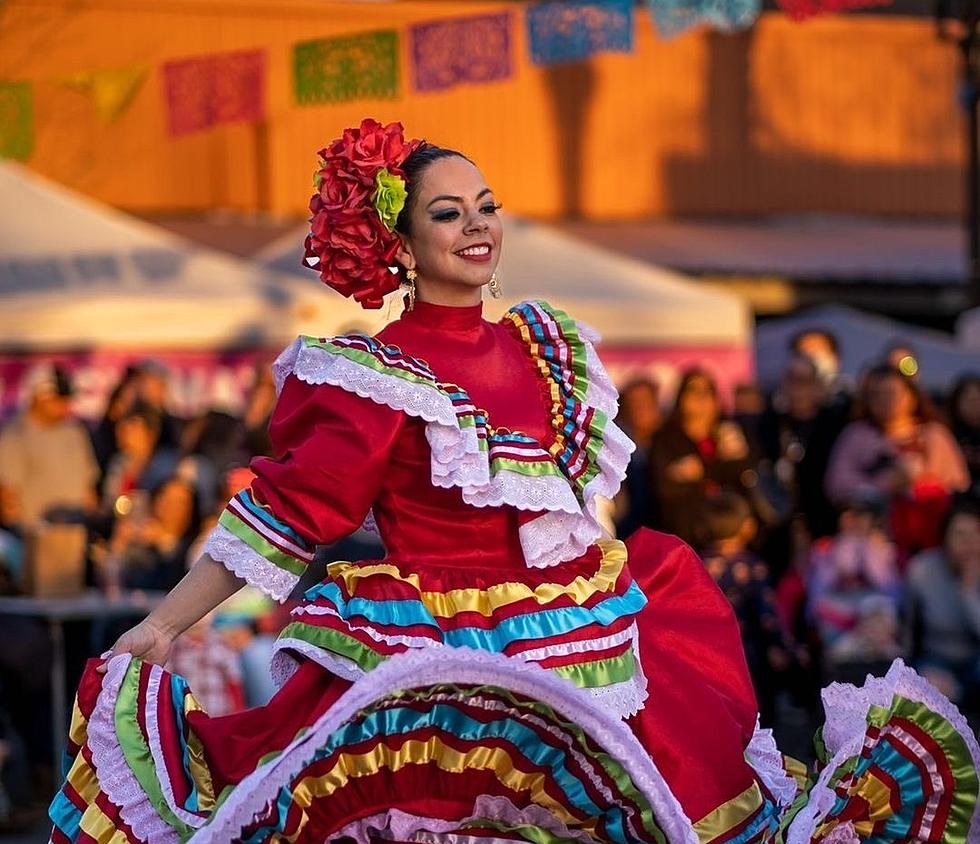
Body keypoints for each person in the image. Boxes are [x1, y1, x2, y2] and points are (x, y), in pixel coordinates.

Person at [50, 120, 980, 843]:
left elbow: (573, 507)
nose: (478, 226)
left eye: (486, 205)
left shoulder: (547, 344)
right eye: (448, 213)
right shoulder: (370, 376)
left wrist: (605, 584)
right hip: (437, 650)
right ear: (401, 245)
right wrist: (167, 623)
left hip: (582, 630)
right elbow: (291, 517)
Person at [825, 364, 969, 557]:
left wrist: (919, 484)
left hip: (928, 539)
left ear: (911, 395)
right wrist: (882, 485)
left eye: (892, 393)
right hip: (872, 540)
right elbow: (836, 484)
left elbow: (958, 484)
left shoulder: (933, 435)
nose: (885, 401)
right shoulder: (856, 435)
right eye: (877, 395)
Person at [699, 492, 795, 727]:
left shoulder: (696, 564)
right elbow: (767, 614)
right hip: (750, 651)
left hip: (710, 652)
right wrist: (781, 646)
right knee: (758, 710)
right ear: (747, 527)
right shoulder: (752, 566)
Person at [648, 367, 754, 546]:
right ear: (680, 398)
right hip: (686, 535)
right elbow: (662, 487)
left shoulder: (730, 434)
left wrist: (701, 470)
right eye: (693, 390)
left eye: (708, 391)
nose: (701, 398)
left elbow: (743, 478)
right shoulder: (666, 439)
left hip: (731, 537)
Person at [905, 500, 980, 714]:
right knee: (929, 687)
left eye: (975, 534)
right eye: (960, 535)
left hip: (974, 660)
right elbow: (909, 632)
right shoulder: (921, 570)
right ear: (945, 538)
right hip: (935, 660)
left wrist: (968, 592)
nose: (970, 543)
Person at [612, 376, 662, 537]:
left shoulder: (671, 441)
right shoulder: (617, 447)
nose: (639, 409)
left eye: (645, 402)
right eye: (633, 403)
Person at [950, 372, 980, 500]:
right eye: (968, 400)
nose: (973, 405)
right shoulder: (948, 435)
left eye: (977, 399)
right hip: (962, 501)